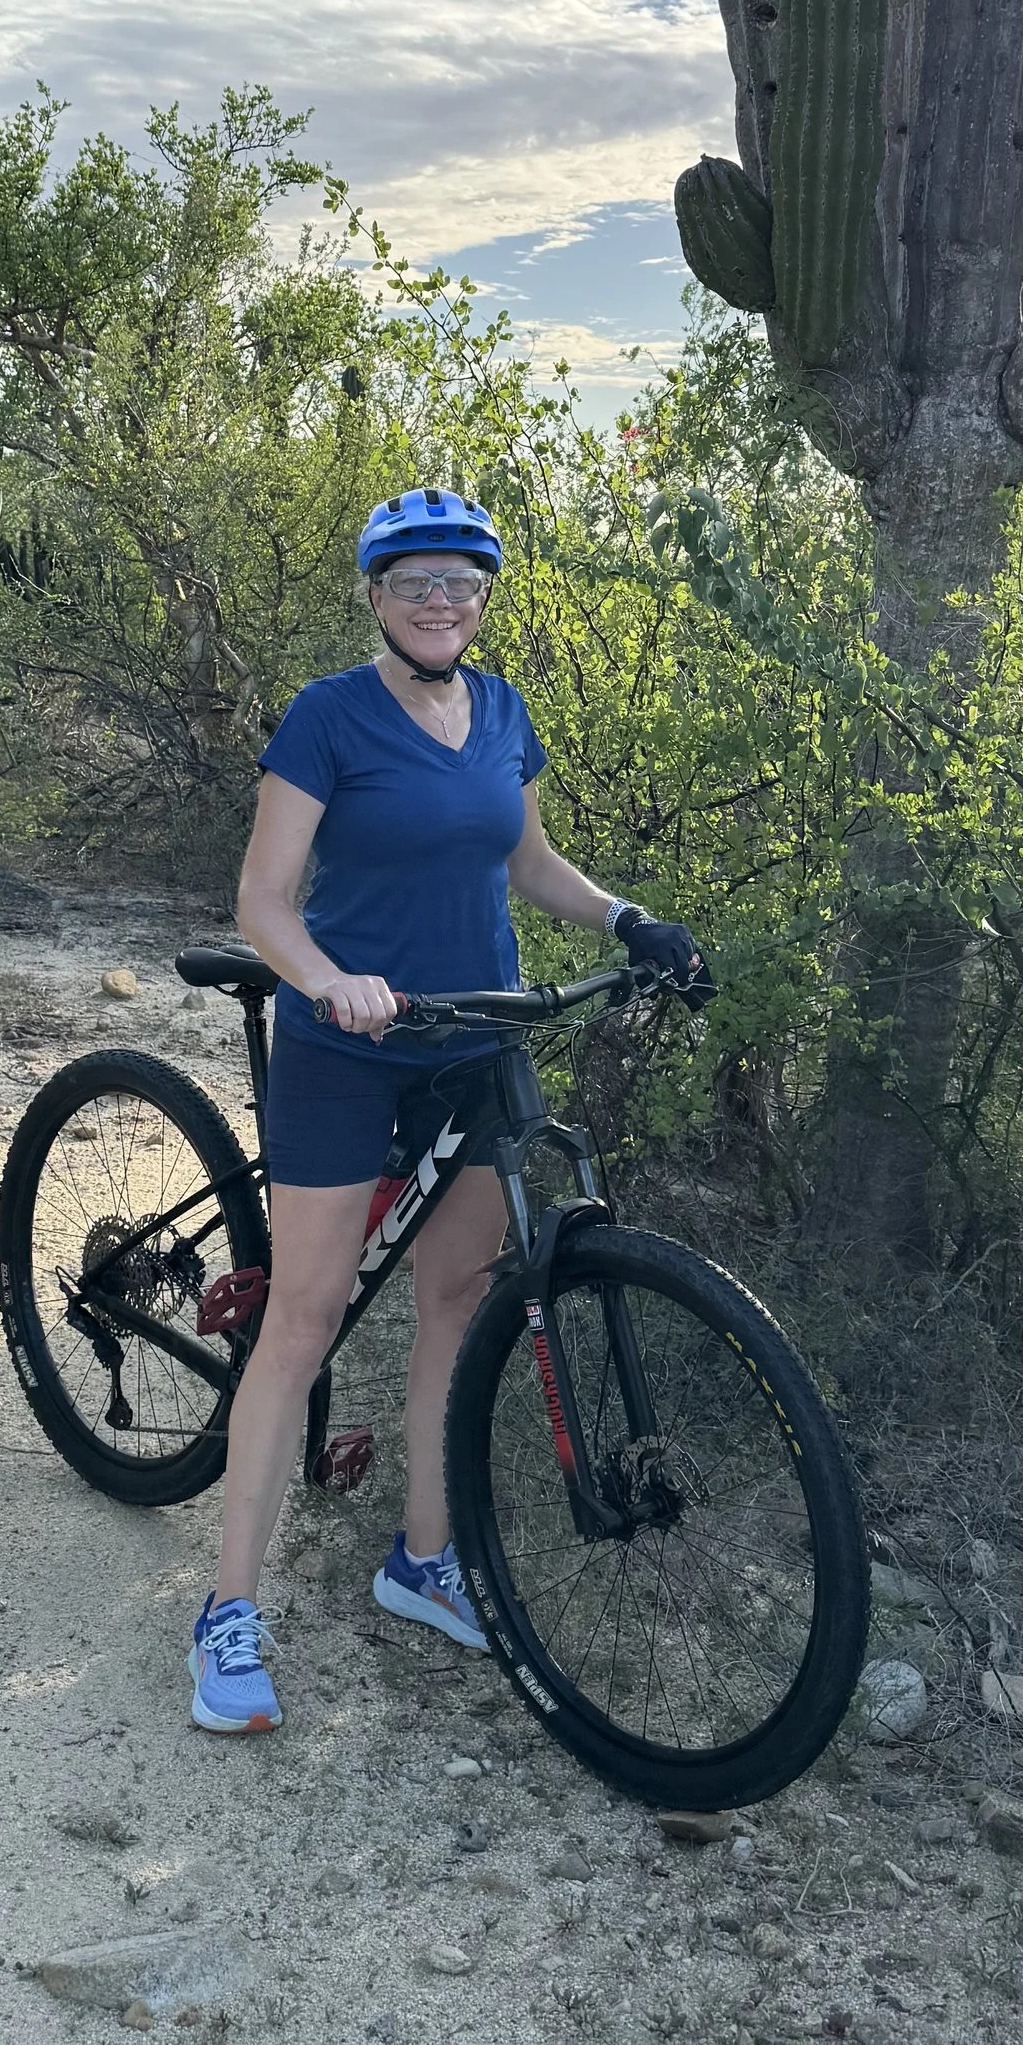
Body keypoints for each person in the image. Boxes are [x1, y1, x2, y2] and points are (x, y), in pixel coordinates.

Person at [189, 487, 707, 1734]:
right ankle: (226, 1613)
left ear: (483, 599)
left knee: (457, 1302)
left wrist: (627, 919)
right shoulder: (326, 718)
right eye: (414, 580)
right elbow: (264, 898)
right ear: (374, 594)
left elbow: (528, 863)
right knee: (304, 1320)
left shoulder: (503, 709)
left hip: (476, 1034)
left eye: (460, 582)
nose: (439, 600)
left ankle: (422, 1560)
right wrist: (327, 982)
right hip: (349, 1046)